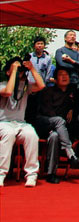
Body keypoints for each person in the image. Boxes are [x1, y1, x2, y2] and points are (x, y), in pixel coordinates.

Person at [0, 56, 45, 187]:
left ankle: (31, 174)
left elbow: (41, 85)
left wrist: (32, 69)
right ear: (7, 71)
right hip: (3, 123)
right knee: (8, 134)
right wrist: (13, 70)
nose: (19, 71)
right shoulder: (2, 84)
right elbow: (8, 92)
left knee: (32, 135)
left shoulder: (25, 86)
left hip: (20, 123)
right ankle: (1, 174)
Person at [33, 67, 79, 182]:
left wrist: (72, 109)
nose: (64, 77)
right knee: (59, 121)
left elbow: (78, 106)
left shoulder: (72, 93)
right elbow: (47, 111)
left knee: (54, 136)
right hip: (45, 123)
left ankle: (51, 174)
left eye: (66, 75)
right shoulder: (48, 91)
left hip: (60, 131)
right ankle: (69, 152)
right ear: (55, 79)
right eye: (61, 74)